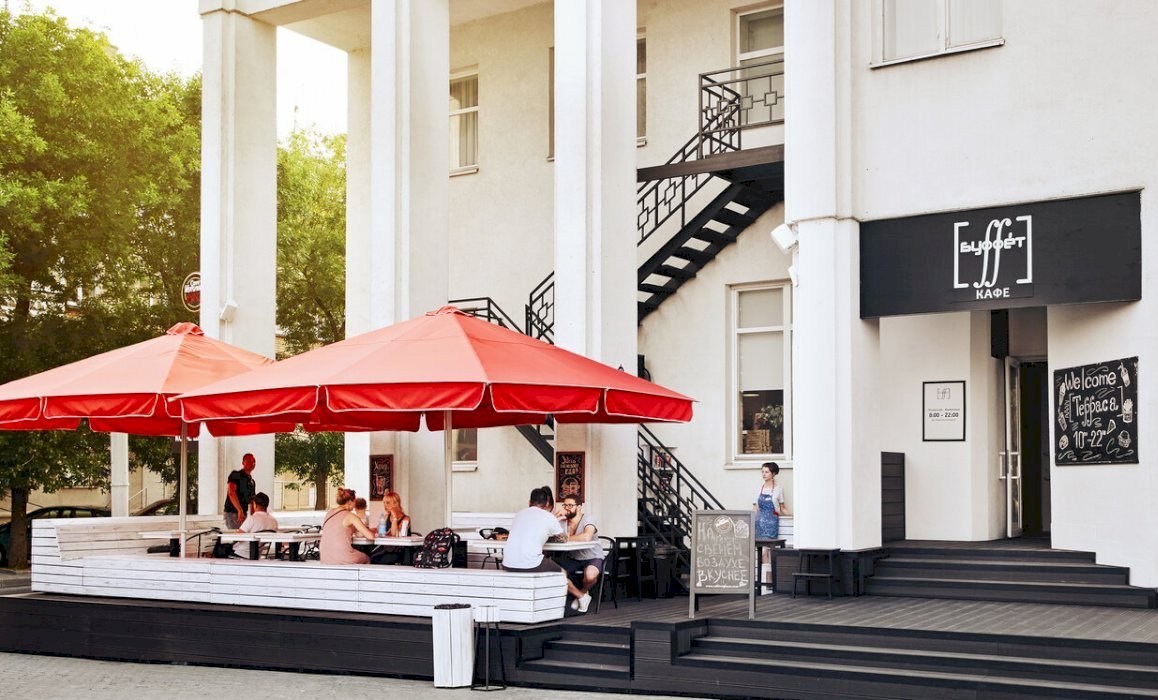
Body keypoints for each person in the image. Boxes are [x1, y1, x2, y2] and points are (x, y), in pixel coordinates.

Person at [502, 486, 590, 612]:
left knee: (546, 567)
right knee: (562, 573)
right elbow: (564, 539)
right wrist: (555, 523)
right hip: (531, 563)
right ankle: (580, 597)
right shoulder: (548, 517)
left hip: (507, 562)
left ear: (529, 502)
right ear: (547, 503)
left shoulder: (519, 514)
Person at [557, 495, 605, 612]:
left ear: (578, 507)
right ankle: (581, 596)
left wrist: (566, 538)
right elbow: (550, 535)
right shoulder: (563, 521)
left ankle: (583, 592)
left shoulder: (588, 519)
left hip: (592, 556)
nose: (567, 508)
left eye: (570, 505)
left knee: (590, 576)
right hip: (573, 557)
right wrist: (555, 518)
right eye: (565, 505)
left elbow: (587, 537)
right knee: (557, 575)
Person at [320, 487, 377, 565]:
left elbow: (340, 529)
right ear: (350, 502)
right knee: (366, 558)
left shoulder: (329, 513)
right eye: (354, 502)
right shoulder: (351, 516)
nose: (354, 505)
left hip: (325, 557)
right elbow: (370, 536)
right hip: (341, 556)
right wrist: (374, 531)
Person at [369, 491, 411, 565]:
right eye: (384, 503)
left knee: (374, 559)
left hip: (398, 551)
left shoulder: (406, 519)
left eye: (388, 503)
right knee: (369, 556)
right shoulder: (386, 516)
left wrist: (394, 517)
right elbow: (379, 531)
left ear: (396, 503)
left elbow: (394, 534)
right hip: (386, 548)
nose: (385, 505)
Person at [233, 492, 278, 559]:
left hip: (241, 553)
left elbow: (237, 537)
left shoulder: (252, 519)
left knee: (221, 550)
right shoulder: (274, 521)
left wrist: (236, 532)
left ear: (255, 505)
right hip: (257, 554)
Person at [754, 462, 790, 540]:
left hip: (772, 523)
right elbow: (755, 509)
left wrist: (795, 517)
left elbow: (782, 508)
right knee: (759, 545)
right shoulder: (758, 489)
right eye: (762, 472)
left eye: (767, 472)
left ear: (773, 474)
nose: (764, 474)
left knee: (769, 545)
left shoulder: (778, 489)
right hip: (759, 523)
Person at [224, 452, 256, 530]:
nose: (252, 463)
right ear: (243, 462)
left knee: (244, 535)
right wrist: (239, 510)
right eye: (249, 461)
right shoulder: (236, 474)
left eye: (253, 461)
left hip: (244, 514)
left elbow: (252, 501)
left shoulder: (252, 482)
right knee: (237, 535)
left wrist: (254, 517)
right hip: (232, 513)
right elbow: (231, 492)